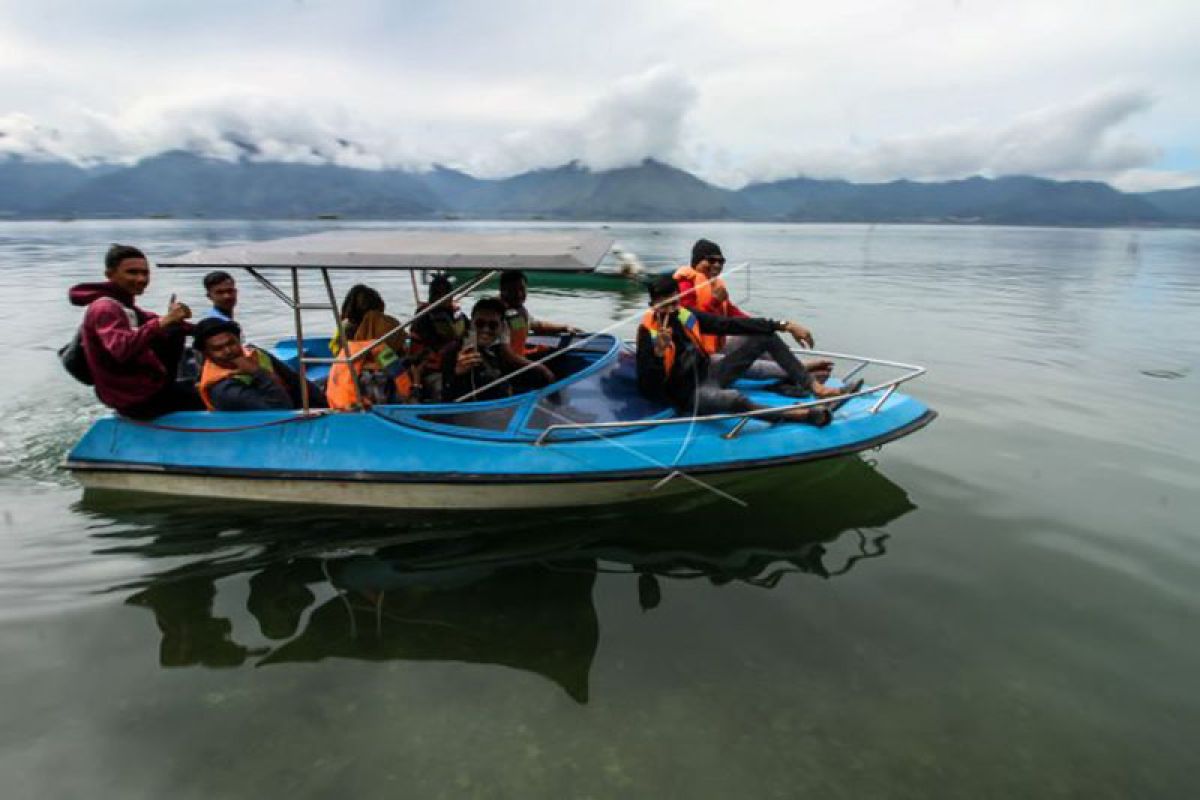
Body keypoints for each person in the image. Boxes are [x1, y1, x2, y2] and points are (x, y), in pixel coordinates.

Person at [636, 277, 860, 425]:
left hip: (711, 373)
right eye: (664, 305)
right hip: (688, 395)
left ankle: (814, 386)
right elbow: (649, 388)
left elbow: (731, 324)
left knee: (765, 337)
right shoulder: (648, 334)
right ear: (653, 305)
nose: (670, 310)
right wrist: (658, 353)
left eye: (674, 302)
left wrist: (784, 324)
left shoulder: (686, 315)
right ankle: (796, 415)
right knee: (735, 399)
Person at [68, 243, 202, 419]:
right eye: (132, 272)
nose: (140, 279)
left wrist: (208, 328)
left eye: (145, 273)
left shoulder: (126, 306)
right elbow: (121, 349)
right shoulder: (105, 307)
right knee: (211, 396)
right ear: (110, 275)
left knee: (174, 331)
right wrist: (165, 321)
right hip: (135, 400)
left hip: (143, 389)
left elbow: (156, 321)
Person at [676, 238, 833, 384]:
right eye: (711, 260)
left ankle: (795, 365)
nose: (717, 265)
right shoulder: (685, 285)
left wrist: (760, 326)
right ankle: (800, 371)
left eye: (720, 261)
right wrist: (715, 302)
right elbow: (695, 321)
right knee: (749, 364)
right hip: (700, 358)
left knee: (759, 335)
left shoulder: (714, 285)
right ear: (697, 261)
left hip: (717, 347)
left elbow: (734, 314)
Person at [193, 318, 326, 411]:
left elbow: (295, 380)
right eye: (218, 349)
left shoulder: (256, 354)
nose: (228, 351)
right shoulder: (223, 388)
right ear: (207, 354)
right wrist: (257, 372)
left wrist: (326, 406)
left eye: (231, 343)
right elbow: (280, 409)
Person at [443, 297, 555, 402]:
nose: (486, 329)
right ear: (471, 324)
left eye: (493, 325)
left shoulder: (499, 352)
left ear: (501, 327)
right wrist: (458, 374)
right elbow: (445, 399)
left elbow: (542, 375)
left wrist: (505, 346)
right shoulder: (454, 351)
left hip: (502, 411)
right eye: (480, 324)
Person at [408, 274, 469, 400]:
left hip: (459, 364)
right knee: (440, 388)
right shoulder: (423, 318)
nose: (440, 298)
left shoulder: (458, 316)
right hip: (433, 369)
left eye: (445, 294)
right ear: (431, 296)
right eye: (436, 294)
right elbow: (417, 355)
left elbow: (469, 333)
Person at [498, 270, 581, 356]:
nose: (519, 294)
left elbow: (535, 325)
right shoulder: (499, 314)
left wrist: (564, 327)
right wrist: (540, 368)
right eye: (512, 291)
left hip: (520, 357)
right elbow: (505, 353)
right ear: (502, 290)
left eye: (522, 289)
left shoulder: (516, 312)